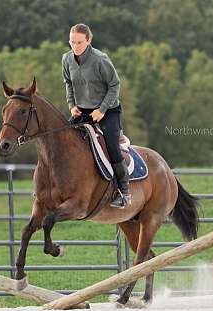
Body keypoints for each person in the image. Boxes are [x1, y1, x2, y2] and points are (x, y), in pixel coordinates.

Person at [62, 23, 131, 209]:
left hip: (108, 111)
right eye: (72, 42)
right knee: (62, 140)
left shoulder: (101, 60)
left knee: (112, 147)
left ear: (88, 40)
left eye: (79, 42)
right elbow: (68, 83)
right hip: (82, 111)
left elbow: (115, 85)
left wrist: (102, 109)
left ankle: (124, 192)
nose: (75, 47)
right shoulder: (66, 59)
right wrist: (71, 105)